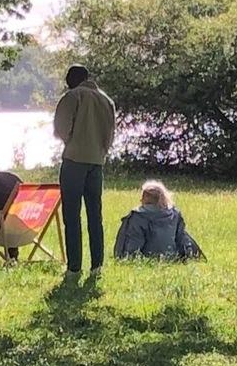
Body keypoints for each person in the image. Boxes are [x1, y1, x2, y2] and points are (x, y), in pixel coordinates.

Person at [53, 63, 117, 278]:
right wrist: (100, 151)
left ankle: (74, 267)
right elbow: (110, 133)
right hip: (96, 162)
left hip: (74, 159)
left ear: (72, 80)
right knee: (94, 215)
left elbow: (61, 128)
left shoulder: (73, 96)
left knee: (72, 216)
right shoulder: (106, 100)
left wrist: (72, 142)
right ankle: (97, 265)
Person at [113, 180, 203, 261]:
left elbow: (133, 244)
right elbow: (183, 240)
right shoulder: (174, 215)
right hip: (172, 258)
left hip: (146, 260)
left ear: (144, 198)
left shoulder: (137, 217)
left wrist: (125, 258)